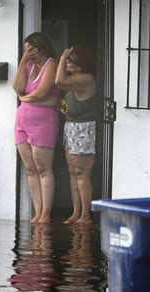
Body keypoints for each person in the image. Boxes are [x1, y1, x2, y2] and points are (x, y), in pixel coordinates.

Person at [13, 32, 61, 223]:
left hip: (43, 123)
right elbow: (17, 87)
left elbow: (41, 93)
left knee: (43, 168)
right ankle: (37, 212)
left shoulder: (52, 64)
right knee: (30, 169)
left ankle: (46, 214)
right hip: (22, 121)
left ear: (38, 48)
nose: (27, 52)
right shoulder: (28, 64)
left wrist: (24, 98)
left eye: (29, 49)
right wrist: (22, 62)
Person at [55, 46, 98, 225]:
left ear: (80, 65)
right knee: (72, 172)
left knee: (82, 173)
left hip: (84, 129)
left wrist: (61, 57)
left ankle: (85, 215)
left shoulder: (86, 79)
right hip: (71, 129)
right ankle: (76, 212)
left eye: (70, 60)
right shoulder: (74, 80)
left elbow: (58, 82)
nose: (66, 62)